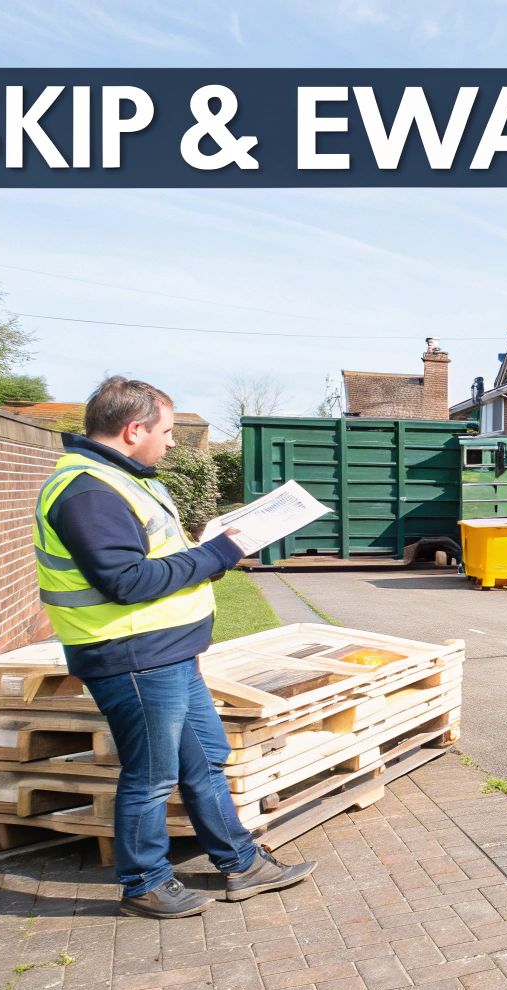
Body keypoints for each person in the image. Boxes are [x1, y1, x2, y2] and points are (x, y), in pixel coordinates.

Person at [34, 376, 315, 919]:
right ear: (133, 429)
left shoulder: (121, 479)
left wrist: (207, 548)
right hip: (130, 655)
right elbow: (127, 581)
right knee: (152, 774)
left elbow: (150, 558)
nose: (170, 442)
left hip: (163, 652)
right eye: (165, 431)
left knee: (206, 760)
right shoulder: (88, 490)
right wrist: (216, 555)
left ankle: (241, 863)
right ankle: (145, 883)